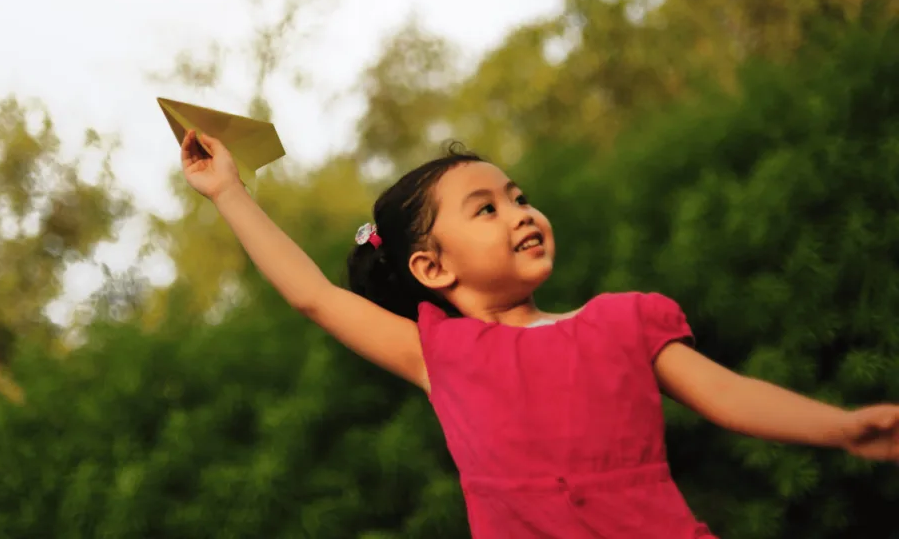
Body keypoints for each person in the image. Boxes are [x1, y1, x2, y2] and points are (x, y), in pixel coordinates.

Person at [178, 130, 899, 538]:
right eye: (486, 209)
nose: (521, 212)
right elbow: (311, 296)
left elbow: (727, 395)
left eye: (519, 197)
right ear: (431, 267)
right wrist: (228, 191)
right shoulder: (440, 354)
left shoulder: (622, 321)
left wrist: (841, 428)